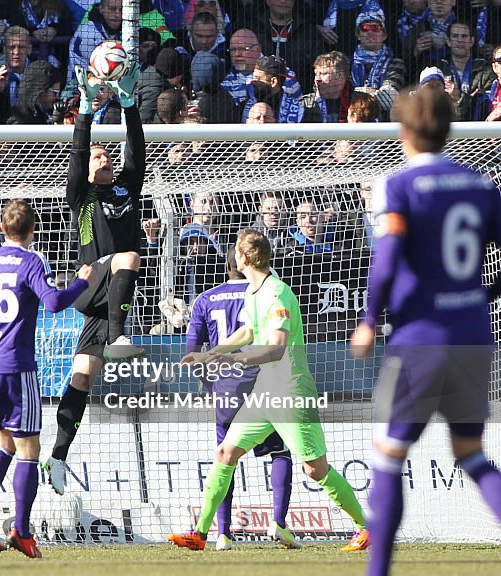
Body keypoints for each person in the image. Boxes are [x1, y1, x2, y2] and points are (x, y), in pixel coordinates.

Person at [351, 88, 501, 576]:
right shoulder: (480, 184)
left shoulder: (396, 185)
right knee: (471, 453)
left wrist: (369, 320)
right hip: (474, 334)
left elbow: (388, 258)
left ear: (404, 131)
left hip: (420, 338)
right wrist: (486, 296)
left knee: (389, 455)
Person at [169, 228, 370, 553]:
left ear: (244, 257)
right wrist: (212, 353)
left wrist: (233, 359)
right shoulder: (253, 292)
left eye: (236, 251)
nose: (234, 256)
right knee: (225, 453)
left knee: (313, 468)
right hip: (265, 392)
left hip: (290, 392)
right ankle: (200, 533)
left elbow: (276, 349)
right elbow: (248, 331)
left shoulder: (276, 293)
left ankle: (365, 527)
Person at [0, 199, 93, 557]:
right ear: (32, 231)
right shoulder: (32, 260)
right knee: (29, 450)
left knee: (3, 443)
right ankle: (22, 530)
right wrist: (81, 283)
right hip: (16, 365)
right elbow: (55, 303)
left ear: (1, 228)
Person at [41, 60, 146, 496]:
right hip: (90, 284)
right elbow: (79, 151)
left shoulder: (125, 186)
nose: (104, 159)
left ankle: (58, 456)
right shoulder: (81, 196)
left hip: (110, 300)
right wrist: (85, 109)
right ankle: (121, 336)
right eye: (98, 157)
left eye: (108, 156)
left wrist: (128, 104)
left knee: (83, 374)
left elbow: (136, 147)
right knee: (127, 255)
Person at [183, 250, 295, 551]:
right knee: (280, 452)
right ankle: (278, 522)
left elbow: (192, 349)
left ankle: (223, 533)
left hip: (226, 386)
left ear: (227, 266)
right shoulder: (265, 291)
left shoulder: (206, 298)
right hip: (262, 379)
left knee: (224, 459)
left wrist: (212, 381)